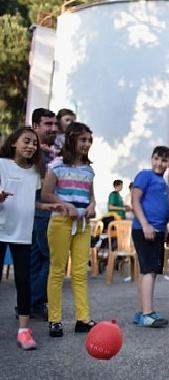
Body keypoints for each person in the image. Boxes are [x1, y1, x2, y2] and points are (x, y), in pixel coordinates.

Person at [0, 128, 62, 350]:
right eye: (26, 141)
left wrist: (47, 205)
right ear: (14, 143)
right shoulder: (2, 165)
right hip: (1, 230)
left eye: (34, 143)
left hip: (23, 234)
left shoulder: (36, 172)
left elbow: (29, 201)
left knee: (24, 282)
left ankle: (24, 331)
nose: (31, 146)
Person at [42, 122, 97, 337]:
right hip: (61, 223)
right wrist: (67, 206)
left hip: (83, 225)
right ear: (72, 140)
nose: (87, 144)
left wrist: (92, 206)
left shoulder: (89, 170)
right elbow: (46, 194)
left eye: (89, 140)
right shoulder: (56, 166)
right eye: (83, 140)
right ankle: (55, 320)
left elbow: (90, 196)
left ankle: (82, 318)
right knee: (57, 270)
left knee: (80, 272)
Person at [130, 146, 169, 328]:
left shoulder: (162, 181)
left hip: (157, 231)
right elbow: (135, 200)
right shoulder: (145, 175)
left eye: (164, 160)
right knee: (149, 270)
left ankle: (142, 311)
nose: (159, 163)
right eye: (156, 158)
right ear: (151, 158)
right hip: (145, 230)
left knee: (148, 271)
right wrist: (145, 224)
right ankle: (147, 313)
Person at [29, 108, 58, 319]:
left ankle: (33, 304)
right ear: (36, 126)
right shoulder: (34, 152)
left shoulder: (53, 151)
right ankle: (33, 302)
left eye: (54, 124)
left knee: (39, 260)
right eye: (48, 124)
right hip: (40, 212)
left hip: (41, 212)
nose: (53, 128)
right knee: (51, 258)